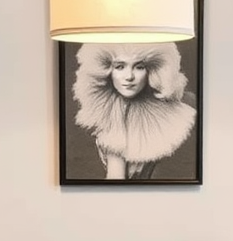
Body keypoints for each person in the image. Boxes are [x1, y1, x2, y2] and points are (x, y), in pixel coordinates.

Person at [72, 42, 197, 180]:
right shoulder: (112, 122)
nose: (129, 76)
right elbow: (116, 182)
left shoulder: (186, 103)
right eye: (119, 67)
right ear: (106, 70)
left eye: (139, 67)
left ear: (152, 69)